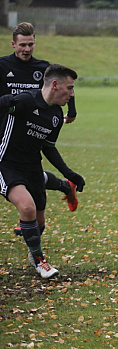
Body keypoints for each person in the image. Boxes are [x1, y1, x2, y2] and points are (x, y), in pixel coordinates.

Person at [0, 64, 85, 279]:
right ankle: (40, 262)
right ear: (55, 85)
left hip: (33, 167)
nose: (72, 94)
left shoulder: (56, 115)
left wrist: (70, 173)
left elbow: (48, 147)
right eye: (70, 88)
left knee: (39, 223)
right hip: (5, 163)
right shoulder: (25, 101)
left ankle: (33, 252)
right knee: (27, 208)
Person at [0, 22, 79, 238]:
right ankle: (63, 186)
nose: (27, 49)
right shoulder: (2, 66)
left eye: (31, 44)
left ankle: (27, 216)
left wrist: (71, 111)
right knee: (19, 171)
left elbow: (65, 84)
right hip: (3, 126)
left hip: (29, 128)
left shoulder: (43, 67)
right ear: (13, 44)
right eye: (23, 45)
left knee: (25, 168)